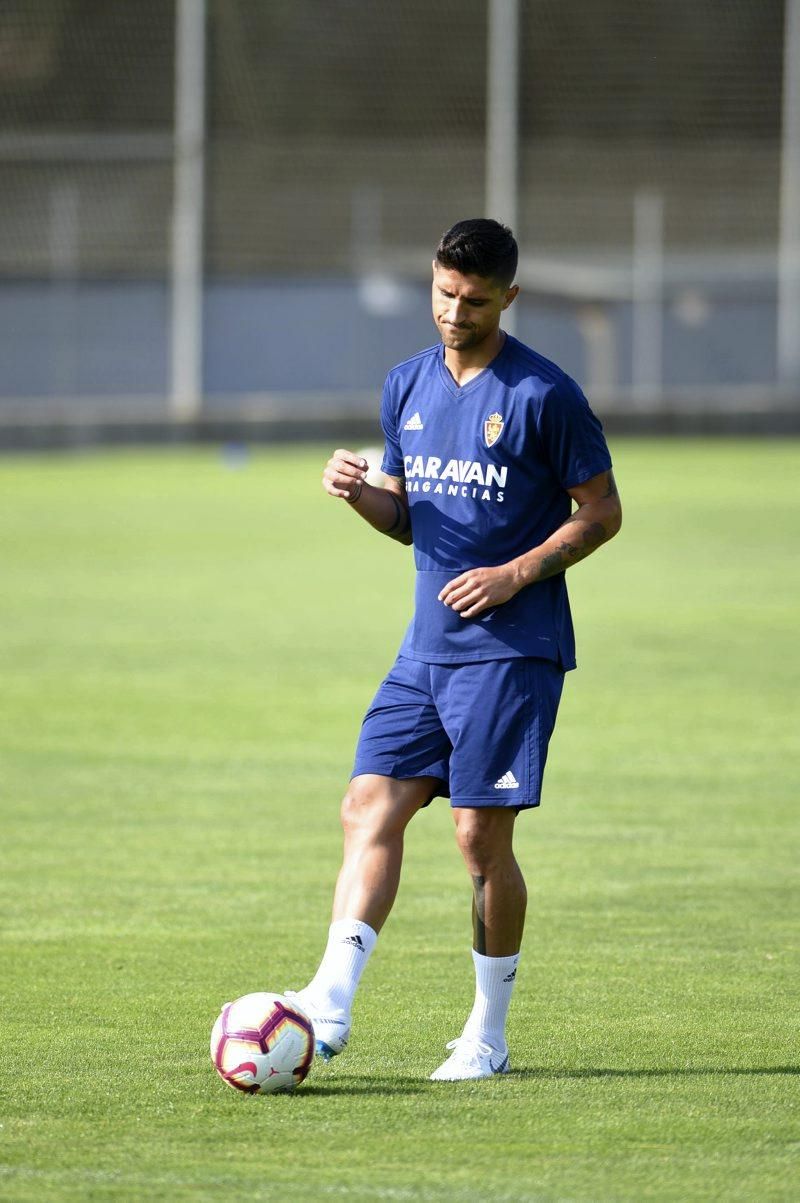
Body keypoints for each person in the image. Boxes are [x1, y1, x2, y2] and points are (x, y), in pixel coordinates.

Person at [287, 218, 622, 1081]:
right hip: (425, 652)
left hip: (513, 652)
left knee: (479, 840)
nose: (453, 311)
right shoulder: (405, 385)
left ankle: (487, 1032)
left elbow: (602, 512)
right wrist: (359, 493)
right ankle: (330, 996)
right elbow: (408, 519)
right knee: (367, 804)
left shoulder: (545, 395)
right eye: (443, 293)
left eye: (473, 300)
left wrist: (513, 574)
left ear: (508, 296)